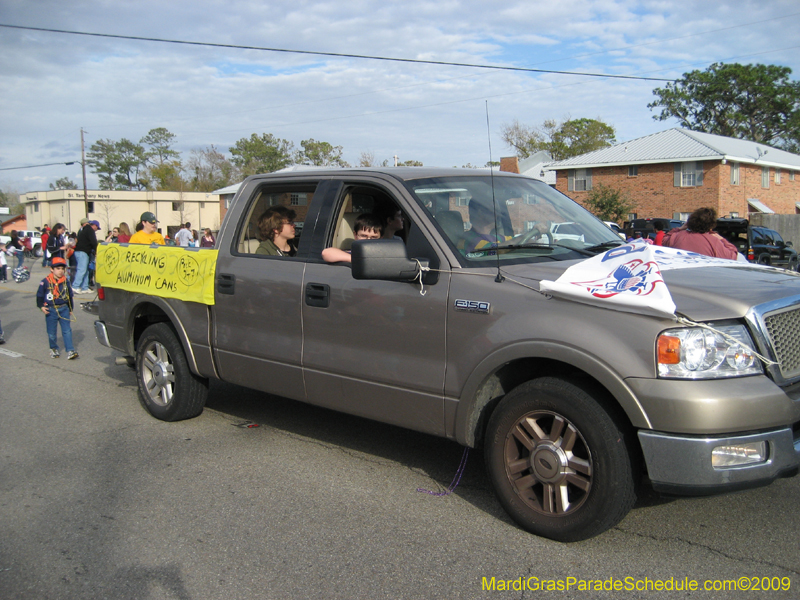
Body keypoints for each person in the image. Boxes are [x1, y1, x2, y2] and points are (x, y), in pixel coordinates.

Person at [36, 256, 78, 359]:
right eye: (57, 268)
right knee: (51, 332)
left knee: (67, 330)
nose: (60, 271)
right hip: (51, 309)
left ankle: (70, 350)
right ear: (52, 269)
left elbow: (69, 296)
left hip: (64, 308)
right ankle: (53, 348)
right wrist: (41, 306)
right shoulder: (45, 282)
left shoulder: (65, 281)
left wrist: (70, 309)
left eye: (62, 269)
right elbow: (39, 296)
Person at [662, 207, 738, 259]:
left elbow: (664, 240)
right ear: (711, 225)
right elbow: (733, 255)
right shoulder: (714, 241)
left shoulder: (676, 237)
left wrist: (679, 229)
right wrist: (722, 239)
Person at [72, 218, 98, 294]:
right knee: (82, 269)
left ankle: (85, 287)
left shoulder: (82, 230)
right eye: (97, 227)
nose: (96, 229)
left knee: (85, 270)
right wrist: (96, 250)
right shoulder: (89, 230)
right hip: (83, 252)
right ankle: (75, 286)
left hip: (79, 251)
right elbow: (93, 241)